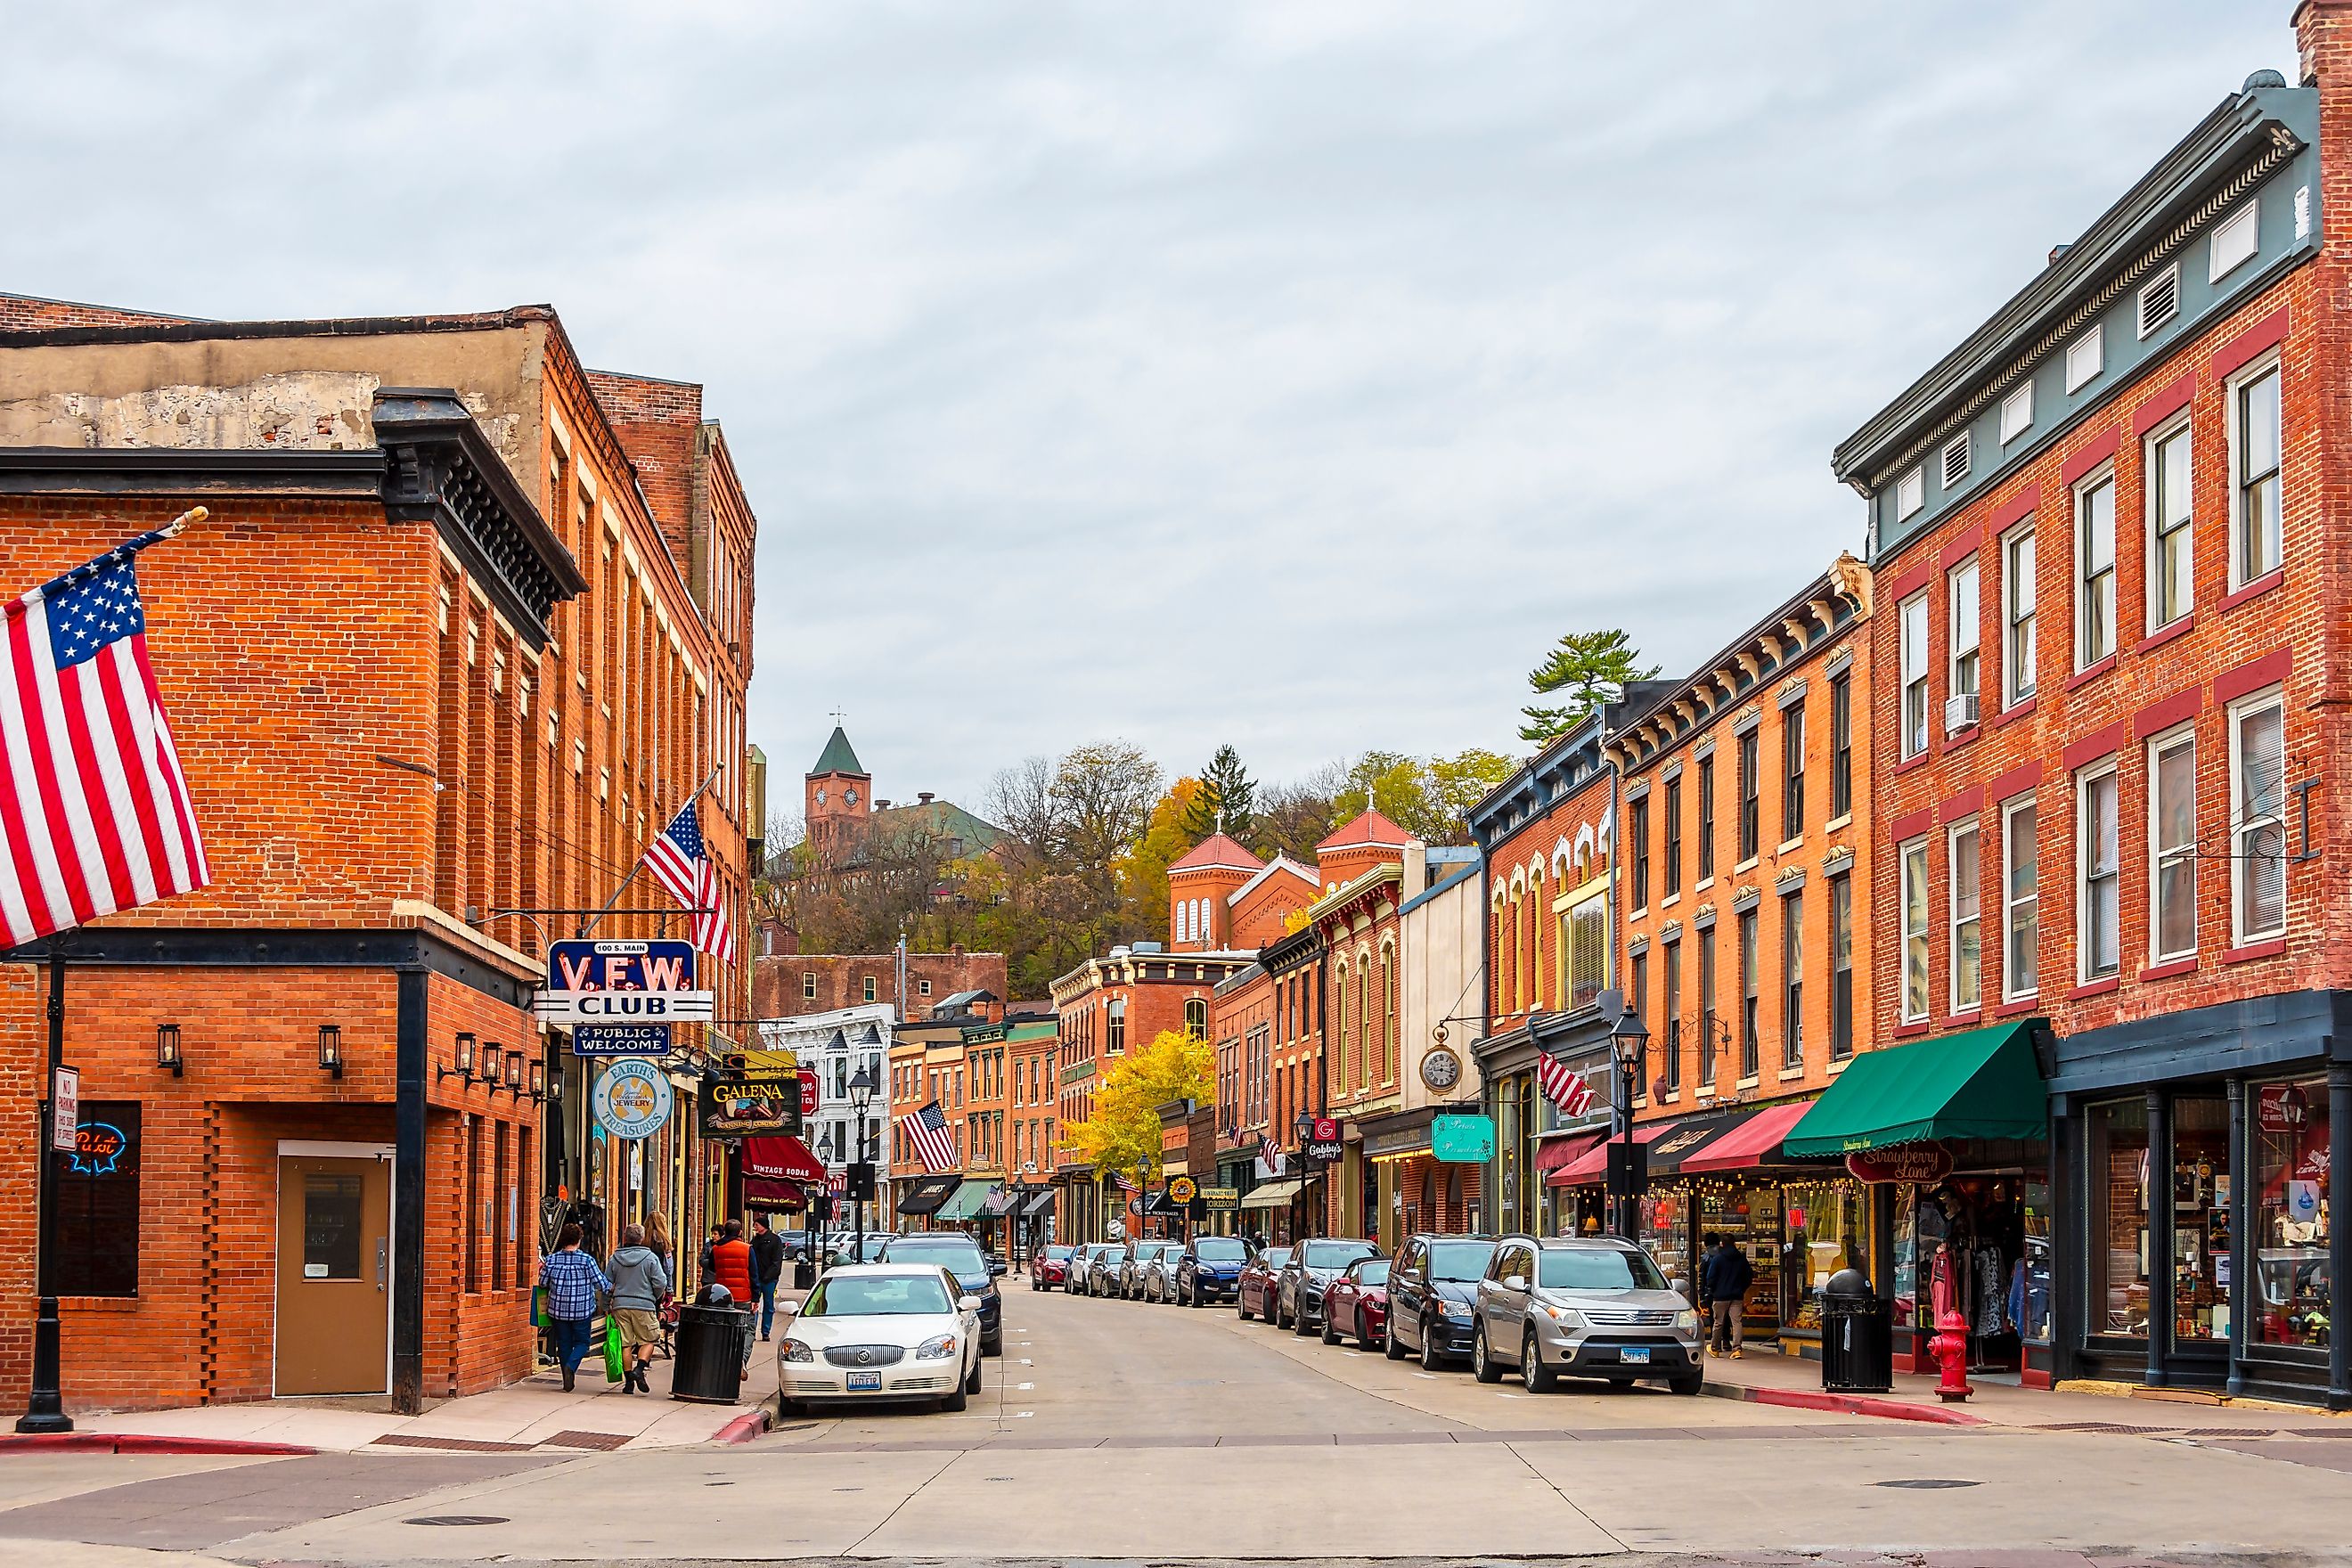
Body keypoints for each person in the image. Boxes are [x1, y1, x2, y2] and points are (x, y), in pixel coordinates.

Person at [537, 1222, 611, 1392]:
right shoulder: (587, 1260)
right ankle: (571, 1366)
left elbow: (542, 1282)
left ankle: (566, 1378)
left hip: (558, 1309)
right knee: (583, 1343)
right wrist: (612, 1288)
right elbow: (601, 1283)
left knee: (563, 1344)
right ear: (578, 1240)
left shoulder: (552, 1260)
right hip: (581, 1310)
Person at [605, 1224, 670, 1393]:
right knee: (650, 1339)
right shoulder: (650, 1258)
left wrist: (607, 1304)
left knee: (625, 1343)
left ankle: (628, 1384)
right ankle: (639, 1370)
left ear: (625, 1238)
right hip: (644, 1304)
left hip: (620, 1305)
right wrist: (655, 1296)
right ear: (641, 1239)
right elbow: (661, 1282)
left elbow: (606, 1283)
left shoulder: (615, 1258)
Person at [1702, 1232, 1754, 1359]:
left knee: (1718, 1322)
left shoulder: (1718, 1259)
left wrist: (1712, 1291)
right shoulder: (1741, 1258)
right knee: (1737, 1322)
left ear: (1722, 1244)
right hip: (1737, 1295)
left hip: (1720, 1296)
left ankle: (1715, 1348)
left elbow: (1710, 1278)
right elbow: (1749, 1276)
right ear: (1734, 1243)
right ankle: (1737, 1349)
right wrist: (1741, 1289)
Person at [748, 1214, 786, 1340]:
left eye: (757, 1224)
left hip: (769, 1279)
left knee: (768, 1306)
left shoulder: (775, 1240)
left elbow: (777, 1261)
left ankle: (765, 1332)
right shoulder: (755, 1241)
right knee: (754, 1305)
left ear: (763, 1226)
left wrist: (768, 1276)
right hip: (755, 1278)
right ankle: (752, 1331)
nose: (755, 1226)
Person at [710, 1218, 756, 1304]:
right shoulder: (747, 1248)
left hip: (721, 1294)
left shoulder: (716, 1249)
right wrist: (755, 1298)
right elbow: (754, 1274)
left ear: (725, 1232)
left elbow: (712, 1267)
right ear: (740, 1233)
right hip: (743, 1295)